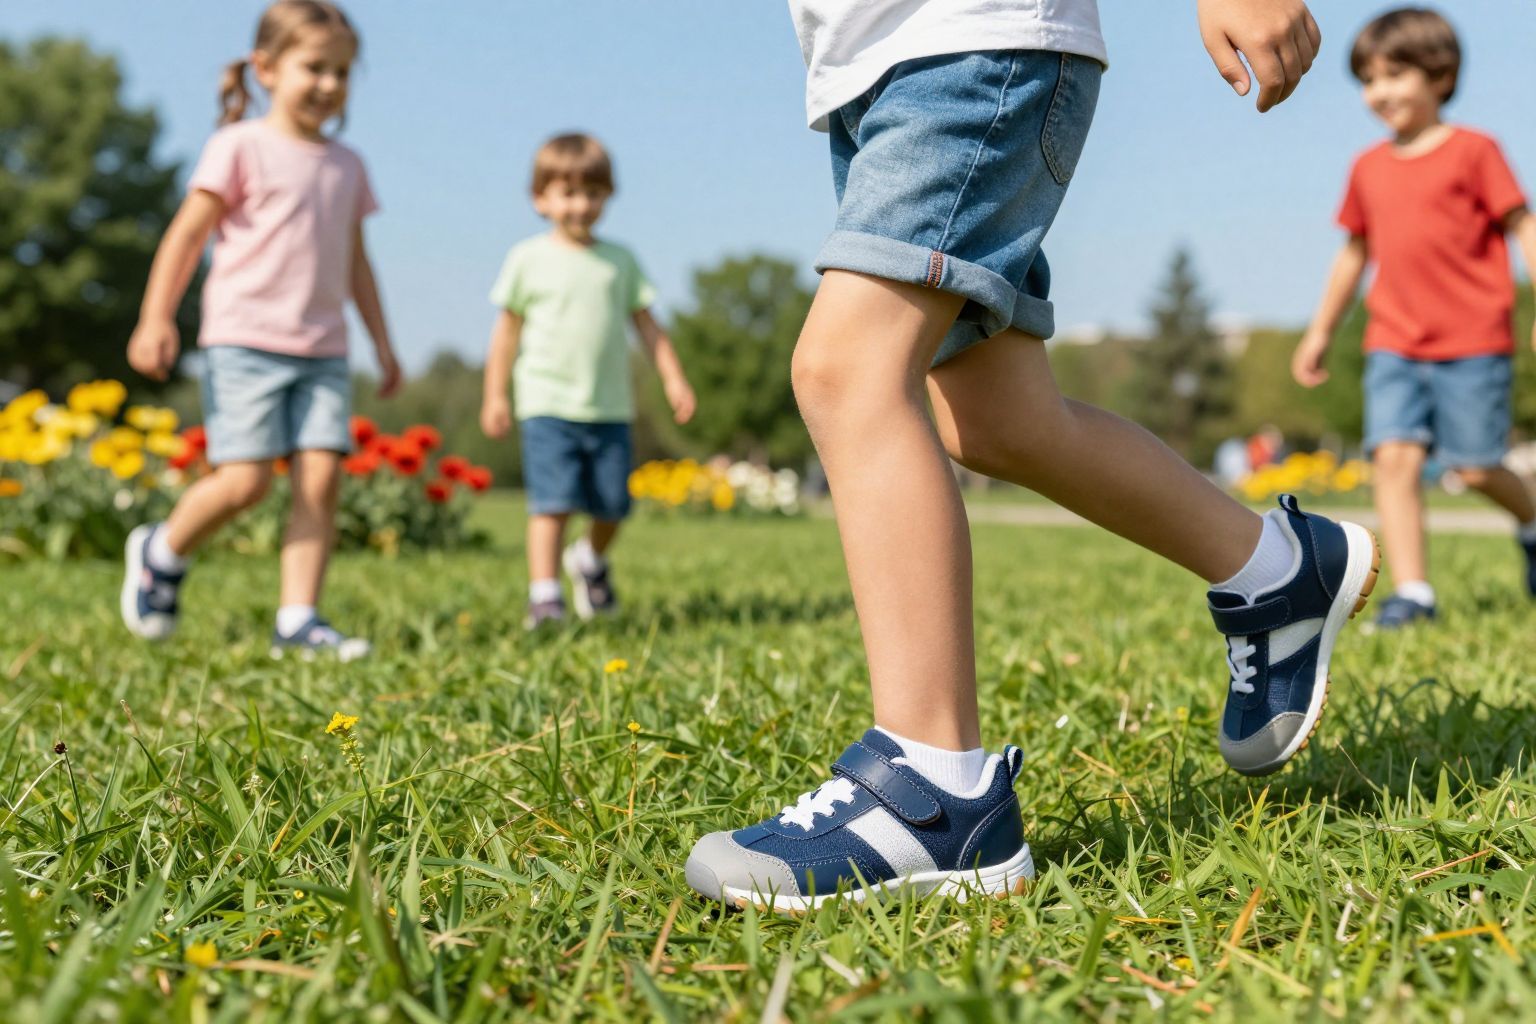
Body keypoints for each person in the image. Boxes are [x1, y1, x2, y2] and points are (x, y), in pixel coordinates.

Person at [685, 0, 1380, 912]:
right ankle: (1278, 569)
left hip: (971, 46)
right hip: (873, 67)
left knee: (847, 373)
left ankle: (933, 791)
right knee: (1000, 419)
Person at [121, 0, 400, 660]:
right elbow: (187, 236)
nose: (330, 85)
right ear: (267, 68)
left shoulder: (348, 165)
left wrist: (383, 344)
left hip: (324, 348)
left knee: (320, 479)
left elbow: (357, 263)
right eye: (315, 68)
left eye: (342, 72)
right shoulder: (239, 146)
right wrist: (156, 316)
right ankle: (161, 552)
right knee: (245, 483)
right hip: (245, 340)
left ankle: (298, 619)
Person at [1292, 7, 1536, 630]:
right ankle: (1416, 593)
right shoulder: (1367, 168)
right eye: (1368, 79)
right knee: (1394, 460)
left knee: (1475, 465)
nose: (1379, 92)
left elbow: (1522, 225)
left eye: (1395, 74)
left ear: (1439, 75)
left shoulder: (1476, 152)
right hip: (1393, 341)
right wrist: (1322, 330)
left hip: (1474, 339)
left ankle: (1532, 521)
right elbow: (1354, 253)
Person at [480, 134, 696, 629]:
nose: (581, 205)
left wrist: (673, 377)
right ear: (541, 198)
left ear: (607, 197)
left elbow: (648, 326)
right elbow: (505, 336)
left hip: (609, 407)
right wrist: (495, 395)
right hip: (546, 402)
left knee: (613, 506)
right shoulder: (526, 259)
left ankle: (589, 561)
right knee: (551, 504)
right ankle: (545, 597)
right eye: (568, 193)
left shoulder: (620, 261)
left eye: (593, 194)